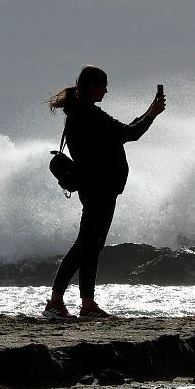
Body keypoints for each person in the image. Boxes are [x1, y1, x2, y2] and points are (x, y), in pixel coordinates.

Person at [43, 65, 166, 319]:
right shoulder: (89, 115)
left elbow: (122, 132)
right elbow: (130, 133)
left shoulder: (80, 113)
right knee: (85, 245)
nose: (107, 90)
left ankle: (86, 304)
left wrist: (149, 112)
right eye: (103, 85)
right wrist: (152, 114)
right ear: (91, 87)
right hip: (98, 188)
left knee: (90, 246)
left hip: (97, 187)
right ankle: (57, 303)